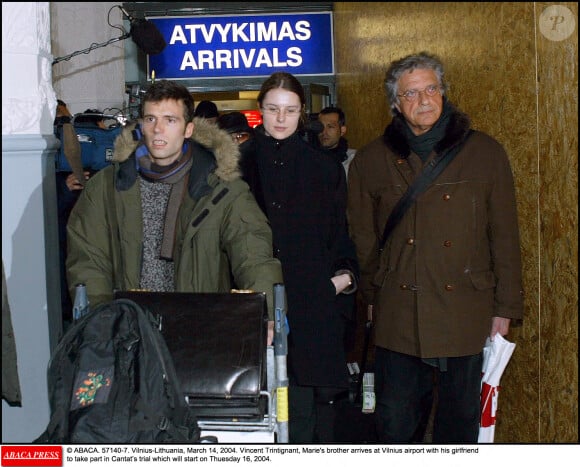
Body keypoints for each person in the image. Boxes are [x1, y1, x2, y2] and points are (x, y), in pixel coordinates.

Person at [347, 51, 524, 443]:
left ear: (443, 93)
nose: (424, 100)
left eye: (432, 89)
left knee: (459, 428)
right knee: (396, 426)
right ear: (396, 103)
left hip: (465, 313)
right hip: (400, 317)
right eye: (412, 93)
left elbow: (505, 235)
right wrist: (376, 293)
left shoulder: (484, 153)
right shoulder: (372, 161)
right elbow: (364, 237)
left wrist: (505, 308)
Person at [66, 80, 283, 342]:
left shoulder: (221, 189)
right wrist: (101, 321)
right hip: (129, 334)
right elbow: (88, 260)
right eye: (151, 119)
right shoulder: (106, 188)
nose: (158, 129)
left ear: (188, 128)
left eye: (170, 120)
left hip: (200, 332)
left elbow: (253, 253)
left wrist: (268, 313)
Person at [242, 71, 360, 443]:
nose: (280, 119)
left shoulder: (324, 168)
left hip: (310, 305)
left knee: (306, 414)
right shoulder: (237, 165)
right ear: (260, 110)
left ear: (302, 113)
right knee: (255, 411)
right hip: (252, 303)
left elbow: (338, 235)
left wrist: (340, 279)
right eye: (273, 109)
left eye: (290, 110)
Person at [317, 106, 356, 176]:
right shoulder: (310, 159)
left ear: (342, 130)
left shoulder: (354, 160)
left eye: (330, 126)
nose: (324, 132)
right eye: (321, 127)